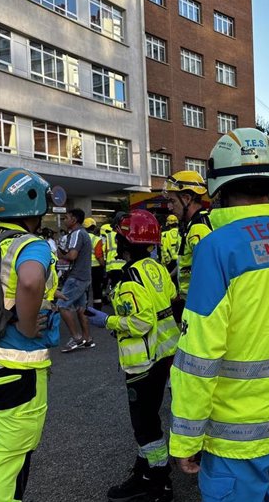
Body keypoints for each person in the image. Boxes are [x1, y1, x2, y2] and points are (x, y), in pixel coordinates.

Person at [170, 128, 269, 501]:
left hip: (235, 437)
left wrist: (186, 435)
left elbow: (199, 356)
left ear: (217, 185)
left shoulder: (217, 248)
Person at [0, 166, 61, 502]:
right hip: (18, 367)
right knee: (12, 462)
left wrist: (47, 296)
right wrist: (27, 322)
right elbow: (31, 280)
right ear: (32, 202)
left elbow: (3, 288)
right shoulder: (30, 244)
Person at [86, 210, 179, 502]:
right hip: (166, 354)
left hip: (143, 361)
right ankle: (145, 472)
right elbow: (173, 296)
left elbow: (140, 323)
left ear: (125, 240)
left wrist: (108, 322)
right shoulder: (156, 267)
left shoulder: (128, 280)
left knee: (145, 425)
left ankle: (159, 483)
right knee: (148, 419)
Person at [162, 171, 212, 319]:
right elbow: (188, 262)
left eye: (173, 201)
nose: (170, 207)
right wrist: (168, 276)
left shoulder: (198, 228)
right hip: (191, 301)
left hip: (197, 305)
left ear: (186, 198)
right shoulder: (194, 224)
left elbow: (206, 273)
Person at [57, 208, 95, 352]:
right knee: (80, 309)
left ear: (74, 220)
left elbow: (72, 255)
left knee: (62, 305)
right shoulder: (81, 233)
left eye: (66, 217)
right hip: (83, 276)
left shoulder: (77, 233)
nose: (64, 220)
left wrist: (60, 255)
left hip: (77, 277)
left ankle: (77, 338)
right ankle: (87, 339)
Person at [83, 218, 105, 311]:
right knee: (97, 288)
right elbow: (99, 255)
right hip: (96, 267)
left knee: (85, 288)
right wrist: (103, 265)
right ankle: (97, 309)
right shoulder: (97, 239)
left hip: (84, 267)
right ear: (94, 227)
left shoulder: (81, 237)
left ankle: (84, 308)